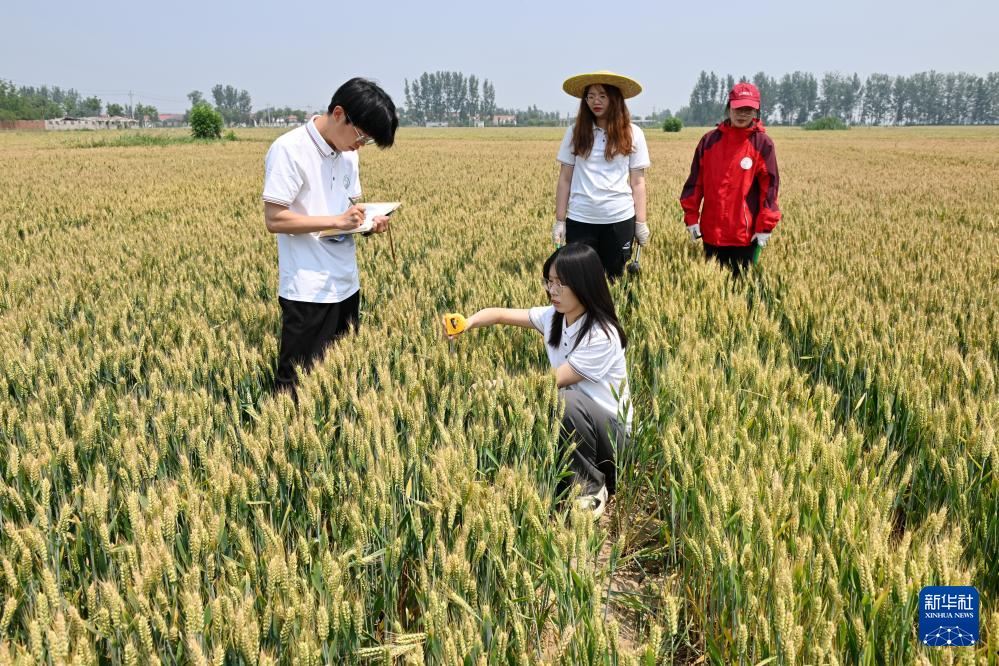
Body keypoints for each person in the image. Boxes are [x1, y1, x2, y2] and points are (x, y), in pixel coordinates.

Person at [447, 244, 631, 518]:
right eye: (549, 281)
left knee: (563, 400)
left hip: (614, 441)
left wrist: (496, 387)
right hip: (578, 428)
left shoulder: (601, 335)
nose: (552, 290)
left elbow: (552, 382)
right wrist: (467, 322)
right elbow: (500, 315)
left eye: (560, 283)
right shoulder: (555, 318)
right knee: (552, 405)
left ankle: (591, 487)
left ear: (584, 283)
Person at [262, 77, 398, 394]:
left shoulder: (349, 154)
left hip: (346, 283)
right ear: (339, 114)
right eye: (361, 135)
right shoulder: (289, 150)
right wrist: (337, 220)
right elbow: (274, 219)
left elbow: (348, 210)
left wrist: (368, 223)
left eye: (368, 141)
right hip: (308, 290)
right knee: (295, 387)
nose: (361, 145)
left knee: (341, 379)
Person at [554, 71, 651, 280]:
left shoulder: (633, 133)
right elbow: (564, 179)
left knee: (615, 278)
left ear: (614, 99)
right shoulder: (575, 132)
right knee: (581, 280)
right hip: (580, 219)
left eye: (602, 96)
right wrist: (560, 221)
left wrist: (641, 223)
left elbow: (638, 182)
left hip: (619, 218)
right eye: (590, 96)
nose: (595, 101)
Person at [680, 82, 781, 277]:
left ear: (756, 111)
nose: (742, 114)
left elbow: (770, 188)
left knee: (740, 287)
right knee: (711, 288)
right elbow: (695, 182)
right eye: (738, 108)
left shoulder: (762, 144)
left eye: (748, 109)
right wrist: (691, 217)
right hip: (711, 233)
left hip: (744, 236)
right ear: (729, 107)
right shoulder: (709, 141)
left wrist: (765, 226)